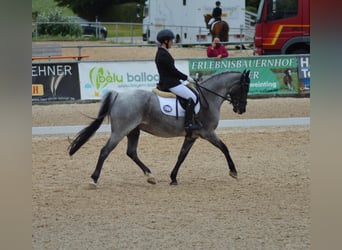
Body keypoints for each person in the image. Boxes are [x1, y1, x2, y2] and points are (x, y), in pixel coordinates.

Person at [155, 29, 202, 134]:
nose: (172, 42)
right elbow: (173, 71)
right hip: (170, 83)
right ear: (165, 41)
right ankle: (188, 124)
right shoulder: (163, 54)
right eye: (171, 40)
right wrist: (186, 77)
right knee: (193, 97)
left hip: (170, 81)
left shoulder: (162, 52)